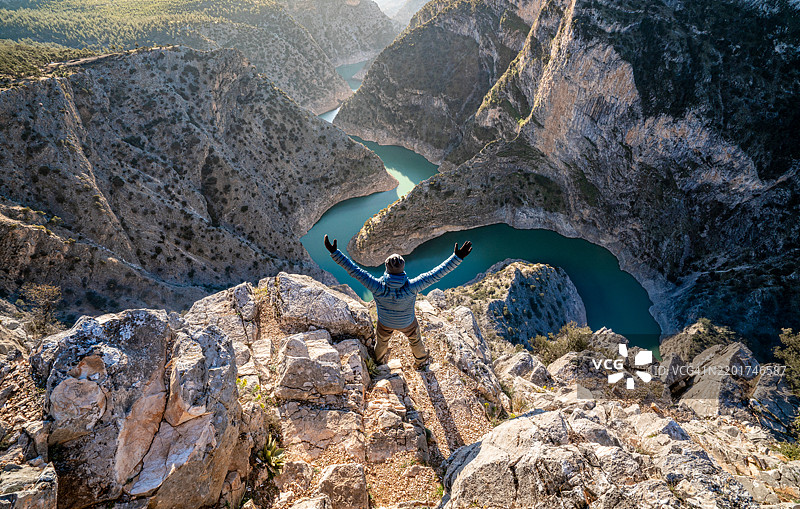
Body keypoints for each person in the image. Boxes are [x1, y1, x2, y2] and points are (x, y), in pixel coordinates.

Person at [324, 234, 472, 370]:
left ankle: (379, 361)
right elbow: (436, 274)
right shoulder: (412, 287)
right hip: (407, 322)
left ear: (386, 268)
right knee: (415, 339)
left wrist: (335, 253)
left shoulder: (376, 286)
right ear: (403, 269)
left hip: (385, 322)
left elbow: (354, 271)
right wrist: (457, 257)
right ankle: (420, 360)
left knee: (381, 341)